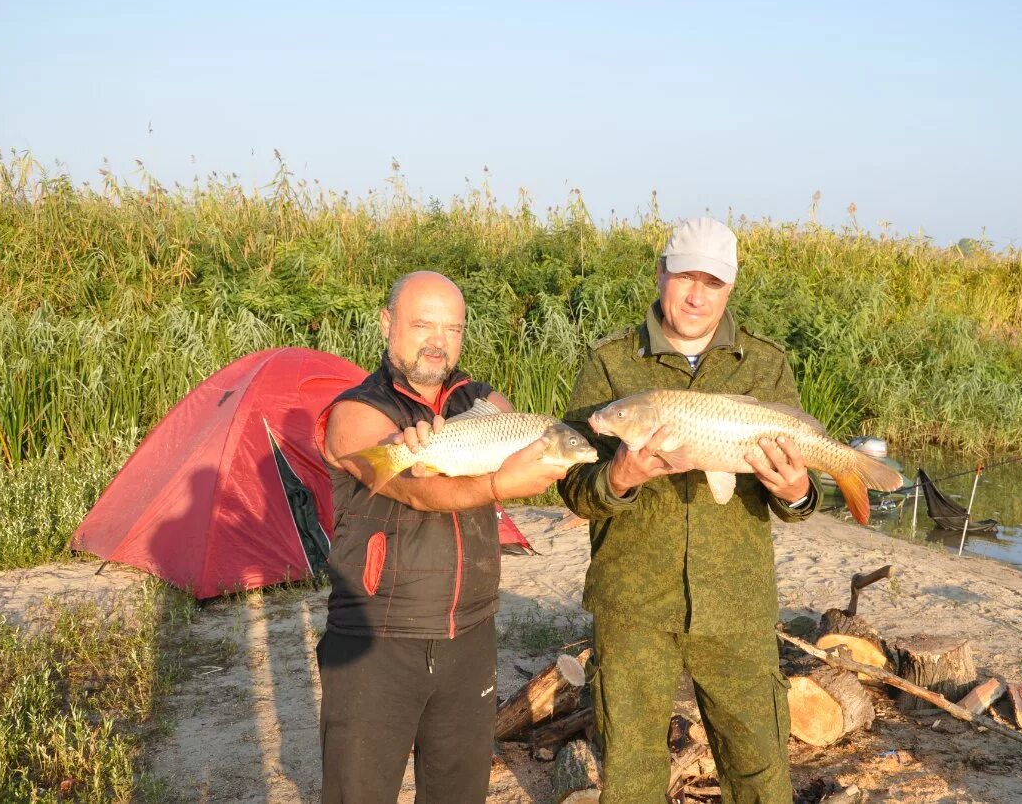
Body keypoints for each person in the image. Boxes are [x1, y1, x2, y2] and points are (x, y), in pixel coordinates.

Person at [559, 217, 822, 803]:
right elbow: (574, 486)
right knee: (630, 771)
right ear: (660, 275)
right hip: (633, 606)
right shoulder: (609, 365)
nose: (697, 296)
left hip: (737, 603)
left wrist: (796, 491)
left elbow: (799, 504)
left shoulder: (766, 363)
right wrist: (620, 477)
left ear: (730, 287)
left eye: (713, 282)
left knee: (759, 768)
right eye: (684, 278)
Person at [314, 270, 568, 804]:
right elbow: (417, 493)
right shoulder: (356, 411)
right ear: (387, 324)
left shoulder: (479, 400)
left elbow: (510, 429)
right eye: (422, 324)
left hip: (471, 636)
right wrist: (499, 482)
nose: (438, 341)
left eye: (452, 329)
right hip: (377, 639)